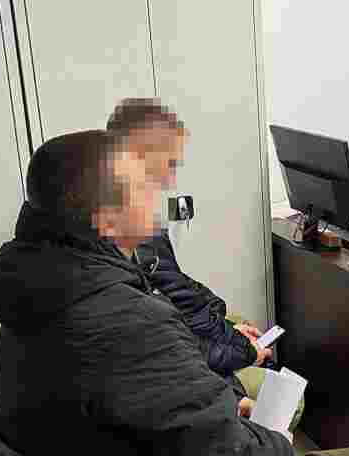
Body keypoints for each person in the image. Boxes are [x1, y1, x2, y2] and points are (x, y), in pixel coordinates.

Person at [0, 130, 294, 455]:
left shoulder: (35, 284)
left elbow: (144, 392)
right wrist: (278, 443)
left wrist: (226, 403)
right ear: (109, 218)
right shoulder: (132, 321)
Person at [106, 98, 299, 431]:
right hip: (186, 380)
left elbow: (178, 291)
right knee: (283, 403)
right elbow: (171, 345)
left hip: (187, 356)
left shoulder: (132, 217)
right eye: (168, 162)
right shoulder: (123, 233)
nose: (170, 177)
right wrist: (240, 351)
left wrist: (225, 328)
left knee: (240, 325)